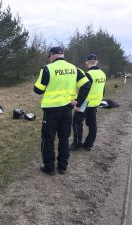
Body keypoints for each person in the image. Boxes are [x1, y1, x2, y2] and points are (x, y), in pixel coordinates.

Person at [34, 47, 91, 175]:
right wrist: (79, 101)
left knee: (48, 139)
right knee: (64, 138)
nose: (49, 58)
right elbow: (87, 84)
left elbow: (38, 90)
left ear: (52, 55)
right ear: (63, 55)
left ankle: (49, 167)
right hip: (67, 110)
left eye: (49, 56)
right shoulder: (74, 69)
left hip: (50, 110)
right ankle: (62, 167)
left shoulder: (47, 69)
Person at [70, 54, 106, 151]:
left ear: (86, 63)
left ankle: (77, 143)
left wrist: (78, 104)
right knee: (92, 124)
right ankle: (88, 144)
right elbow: (103, 90)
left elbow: (84, 91)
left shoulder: (88, 74)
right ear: (97, 62)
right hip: (95, 102)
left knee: (77, 122)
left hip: (86, 102)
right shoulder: (102, 74)